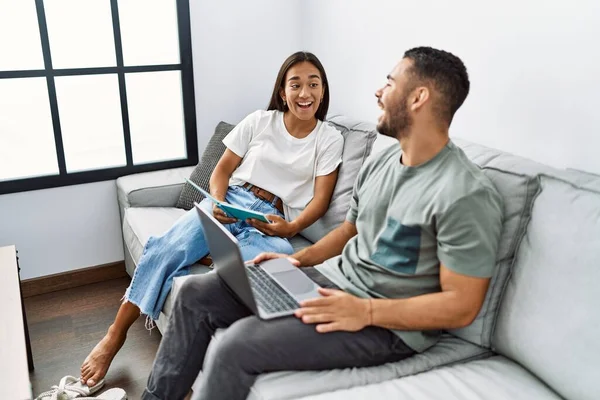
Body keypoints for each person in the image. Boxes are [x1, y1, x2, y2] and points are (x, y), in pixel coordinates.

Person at [141, 47, 504, 400]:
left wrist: (366, 311)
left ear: (418, 97)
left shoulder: (464, 192)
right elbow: (348, 231)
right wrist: (295, 261)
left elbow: (462, 305)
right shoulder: (384, 160)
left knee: (236, 345)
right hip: (335, 283)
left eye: (390, 83)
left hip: (387, 326)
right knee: (195, 294)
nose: (379, 92)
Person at [79, 51, 344, 388]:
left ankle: (209, 255)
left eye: (313, 84)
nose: (304, 93)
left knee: (270, 273)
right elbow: (222, 170)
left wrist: (291, 228)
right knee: (165, 250)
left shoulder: (329, 138)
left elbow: (319, 202)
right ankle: (114, 335)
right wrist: (217, 200)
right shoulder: (260, 121)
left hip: (271, 219)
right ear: (282, 91)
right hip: (231, 200)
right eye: (296, 84)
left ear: (322, 91)